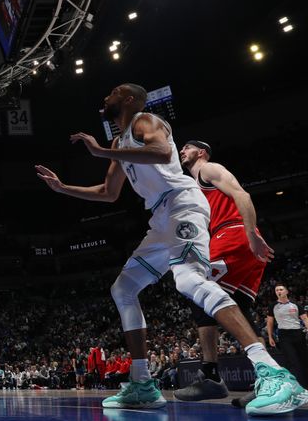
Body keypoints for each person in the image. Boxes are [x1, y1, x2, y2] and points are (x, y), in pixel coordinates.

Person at [35, 83, 307, 414]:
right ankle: (143, 383)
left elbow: (163, 153)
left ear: (130, 100)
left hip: (183, 205)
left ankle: (274, 374)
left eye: (114, 92)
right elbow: (108, 192)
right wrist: (63, 188)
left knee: (189, 281)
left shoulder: (145, 120)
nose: (106, 96)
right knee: (123, 288)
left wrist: (102, 152)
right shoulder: (119, 142)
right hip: (161, 218)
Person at [176, 140, 274, 404]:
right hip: (238, 241)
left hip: (233, 235)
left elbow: (243, 195)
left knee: (197, 290)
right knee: (238, 310)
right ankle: (268, 380)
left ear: (202, 152)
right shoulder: (194, 185)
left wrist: (251, 234)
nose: (182, 150)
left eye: (187, 147)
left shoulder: (207, 169)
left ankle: (210, 376)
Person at [267, 284, 308, 388]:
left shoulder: (296, 304)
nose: (279, 291)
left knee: (304, 359)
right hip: (284, 335)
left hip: (298, 334)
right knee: (292, 360)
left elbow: (305, 319)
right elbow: (270, 322)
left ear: (286, 292)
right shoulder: (273, 306)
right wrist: (270, 336)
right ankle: (297, 386)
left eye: (281, 289)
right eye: (276, 290)